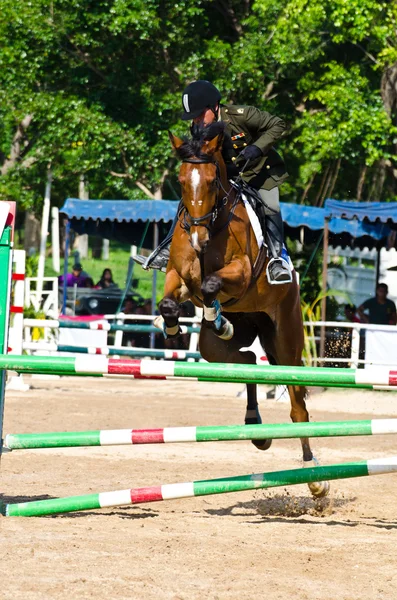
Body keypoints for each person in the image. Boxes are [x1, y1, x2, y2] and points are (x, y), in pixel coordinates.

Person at [134, 80, 292, 284]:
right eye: (194, 117)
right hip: (227, 178)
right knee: (189, 202)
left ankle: (278, 259)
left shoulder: (240, 115)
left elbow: (278, 124)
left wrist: (257, 147)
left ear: (215, 106)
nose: (197, 121)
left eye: (200, 114)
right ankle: (166, 250)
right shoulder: (197, 129)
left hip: (258, 173)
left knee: (270, 204)